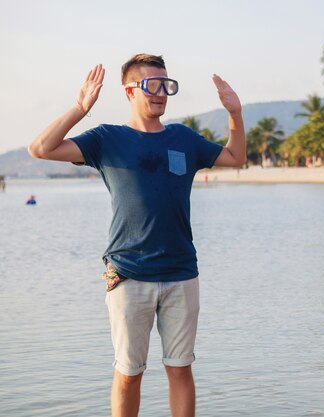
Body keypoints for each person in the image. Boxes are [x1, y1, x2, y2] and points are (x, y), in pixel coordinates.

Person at [28, 54, 246, 417]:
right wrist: (80, 107)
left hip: (181, 272)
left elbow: (236, 157)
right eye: (152, 85)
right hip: (129, 273)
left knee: (180, 368)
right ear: (130, 91)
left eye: (167, 85)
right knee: (129, 374)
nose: (161, 93)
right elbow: (40, 148)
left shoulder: (184, 138)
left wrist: (235, 114)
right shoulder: (107, 139)